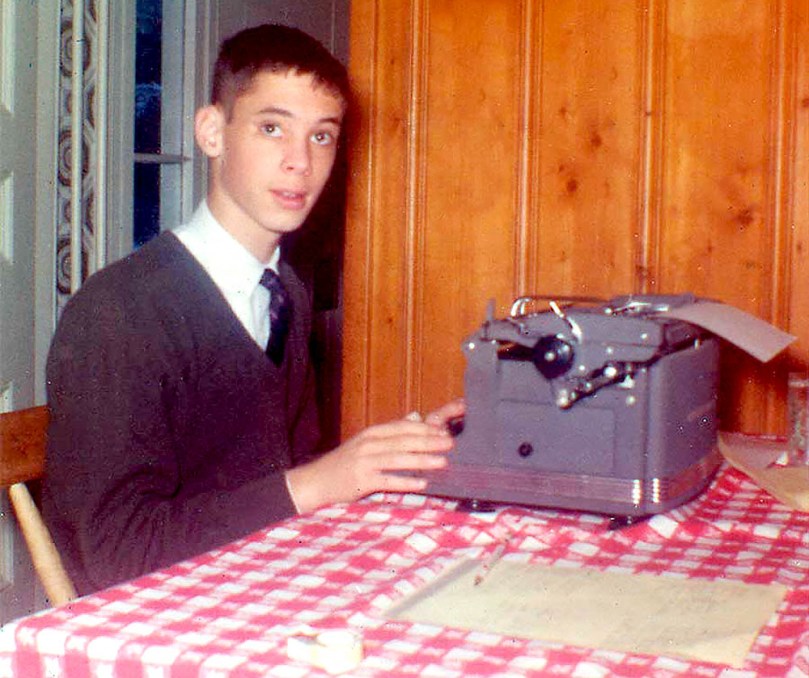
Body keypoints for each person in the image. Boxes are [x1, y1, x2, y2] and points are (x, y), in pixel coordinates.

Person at [42, 24, 464, 596]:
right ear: (212, 131)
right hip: (163, 621)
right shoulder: (120, 313)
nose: (300, 162)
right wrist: (319, 483)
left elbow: (289, 472)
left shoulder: (284, 290)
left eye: (322, 137)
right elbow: (115, 556)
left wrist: (382, 460)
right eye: (272, 128)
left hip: (262, 585)